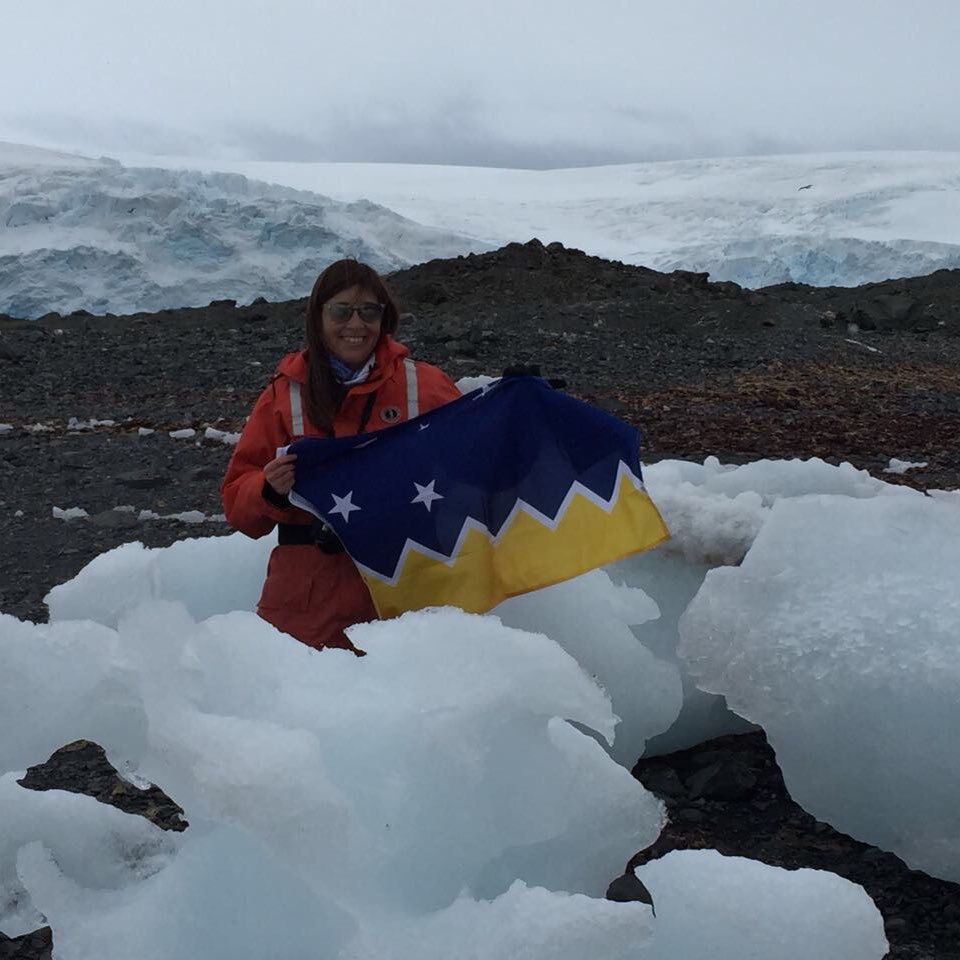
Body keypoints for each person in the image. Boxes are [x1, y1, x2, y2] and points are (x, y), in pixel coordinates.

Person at [221, 259, 462, 652]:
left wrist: (517, 401)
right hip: (307, 600)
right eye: (341, 311)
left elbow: (473, 454)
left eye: (369, 311)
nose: (356, 324)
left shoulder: (424, 385)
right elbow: (236, 503)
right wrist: (268, 489)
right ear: (318, 317)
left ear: (385, 319)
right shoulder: (286, 395)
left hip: (404, 590)